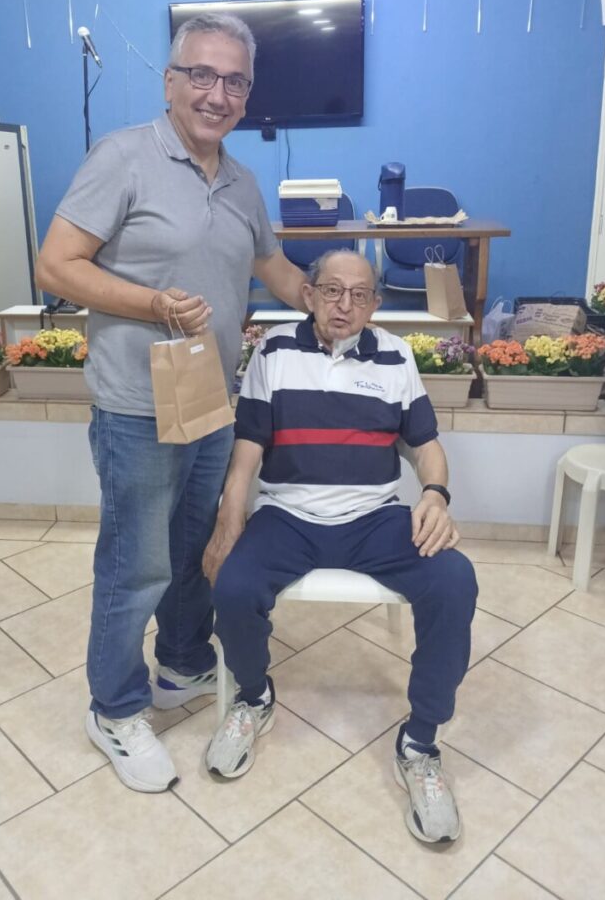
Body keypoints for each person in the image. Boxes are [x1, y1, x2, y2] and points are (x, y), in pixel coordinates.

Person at [36, 13, 306, 793]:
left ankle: (183, 663)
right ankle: (114, 708)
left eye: (234, 81)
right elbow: (56, 265)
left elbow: (271, 265)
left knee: (193, 550)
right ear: (170, 80)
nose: (217, 94)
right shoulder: (123, 156)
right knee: (137, 562)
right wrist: (152, 304)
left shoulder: (241, 181)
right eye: (202, 75)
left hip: (210, 400)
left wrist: (327, 301)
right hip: (135, 406)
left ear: (248, 94)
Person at [202, 249, 478, 844]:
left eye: (359, 294)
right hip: (287, 516)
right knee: (234, 585)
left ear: (375, 303)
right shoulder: (274, 351)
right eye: (331, 290)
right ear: (309, 295)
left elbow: (426, 446)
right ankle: (254, 697)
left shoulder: (396, 356)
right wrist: (230, 518)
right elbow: (248, 448)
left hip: (374, 518)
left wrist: (435, 495)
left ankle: (420, 743)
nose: (343, 305)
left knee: (455, 581)